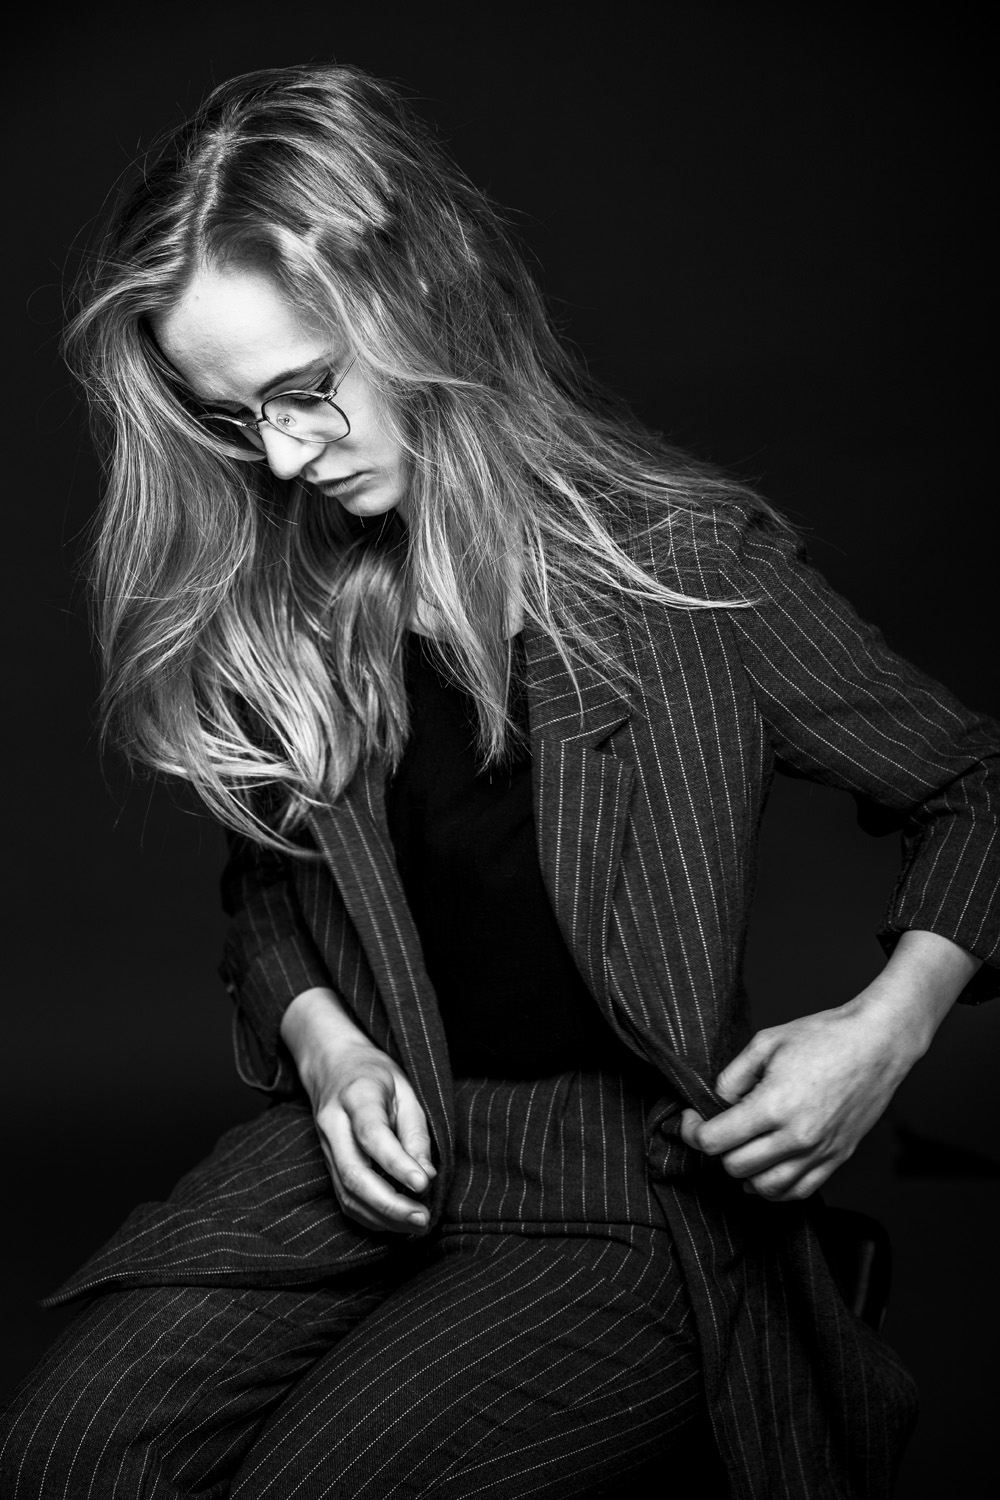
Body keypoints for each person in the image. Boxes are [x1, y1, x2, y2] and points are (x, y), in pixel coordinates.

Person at [1, 61, 996, 1500]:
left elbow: (978, 789)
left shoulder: (685, 576)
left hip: (629, 1183)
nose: (281, 457)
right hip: (371, 1152)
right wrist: (331, 1052)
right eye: (235, 419)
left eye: (303, 392)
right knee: (65, 1455)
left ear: (420, 303)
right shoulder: (298, 599)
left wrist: (886, 1033)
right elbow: (270, 899)